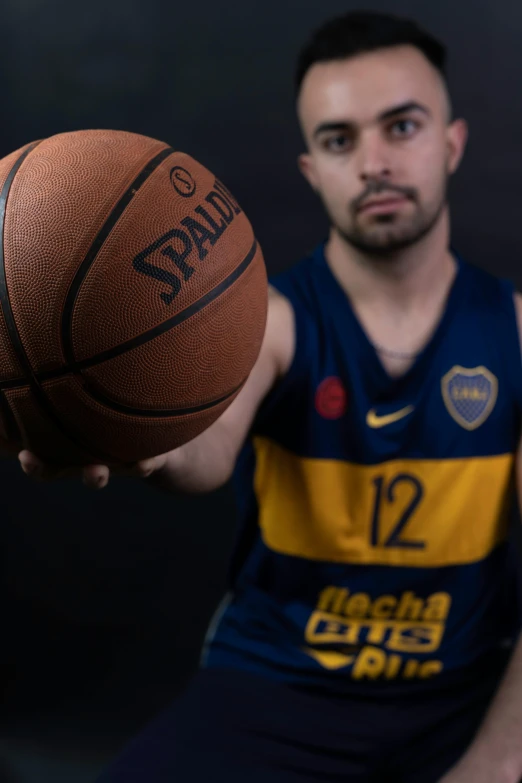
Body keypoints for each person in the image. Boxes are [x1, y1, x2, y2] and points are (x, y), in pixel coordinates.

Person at [20, 10, 522, 783]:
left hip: (462, 690)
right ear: (311, 170)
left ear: (451, 142)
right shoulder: (270, 320)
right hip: (276, 684)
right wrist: (145, 436)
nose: (373, 162)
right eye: (339, 139)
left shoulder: (516, 332)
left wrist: (494, 763)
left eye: (402, 126)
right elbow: (204, 446)